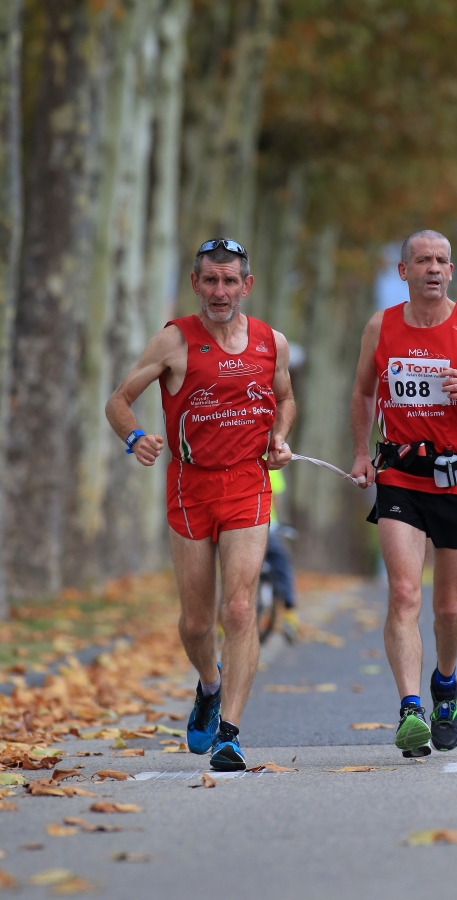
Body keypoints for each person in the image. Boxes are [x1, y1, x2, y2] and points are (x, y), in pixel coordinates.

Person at [105, 238, 294, 771]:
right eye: (210, 280)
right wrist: (135, 437)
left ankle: (230, 733)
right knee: (194, 622)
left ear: (246, 286)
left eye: (230, 280)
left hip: (248, 485)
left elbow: (285, 397)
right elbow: (118, 400)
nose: (220, 291)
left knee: (239, 608)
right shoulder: (173, 341)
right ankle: (209, 686)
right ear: (196, 284)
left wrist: (279, 437)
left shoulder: (269, 342)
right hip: (190, 486)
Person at [350, 230, 457, 758]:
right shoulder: (381, 326)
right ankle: (410, 711)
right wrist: (363, 452)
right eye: (422, 260)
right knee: (404, 594)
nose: (433, 268)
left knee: (449, 609)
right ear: (402, 271)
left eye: (442, 261)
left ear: (451, 272)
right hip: (401, 475)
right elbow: (363, 390)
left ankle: (444, 683)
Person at [266, 468, 298, 642]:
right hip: (266, 525)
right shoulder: (270, 464)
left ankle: (218, 626)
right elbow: (275, 499)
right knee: (282, 563)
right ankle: (289, 615)